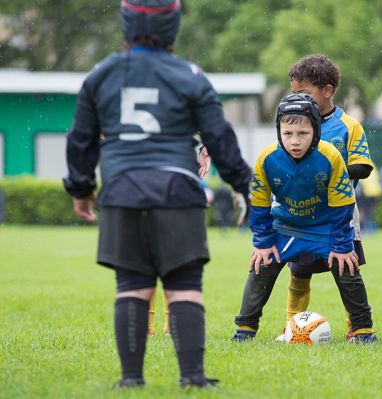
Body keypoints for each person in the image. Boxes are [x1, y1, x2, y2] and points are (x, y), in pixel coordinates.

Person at [63, 0, 252, 389]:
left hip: (122, 190)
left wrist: (81, 189)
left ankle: (131, 379)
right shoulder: (191, 76)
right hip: (177, 191)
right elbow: (219, 138)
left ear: (125, 22)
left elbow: (80, 140)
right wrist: (243, 185)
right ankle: (193, 378)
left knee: (131, 284)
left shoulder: (100, 75)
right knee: (184, 285)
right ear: (173, 26)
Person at [232, 93, 376, 343]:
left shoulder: (330, 157)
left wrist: (342, 246)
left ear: (316, 132)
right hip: (286, 228)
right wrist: (263, 243)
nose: (295, 141)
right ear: (279, 133)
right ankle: (244, 329)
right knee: (261, 264)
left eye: (303, 134)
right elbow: (258, 205)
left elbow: (343, 205)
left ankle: (363, 330)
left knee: (347, 265)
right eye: (288, 134)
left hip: (324, 228)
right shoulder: (267, 159)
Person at [279, 55, 375, 340]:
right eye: (294, 93)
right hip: (301, 212)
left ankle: (358, 329)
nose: (298, 100)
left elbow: (364, 166)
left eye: (305, 93)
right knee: (299, 272)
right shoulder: (290, 125)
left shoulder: (348, 126)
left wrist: (327, 171)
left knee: (346, 268)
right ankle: (291, 329)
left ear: (328, 91)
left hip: (340, 211)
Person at [356, 165, 382, 234]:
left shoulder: (360, 165)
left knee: (362, 212)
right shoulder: (372, 166)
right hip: (375, 192)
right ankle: (369, 230)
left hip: (365, 192)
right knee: (369, 212)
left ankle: (364, 230)